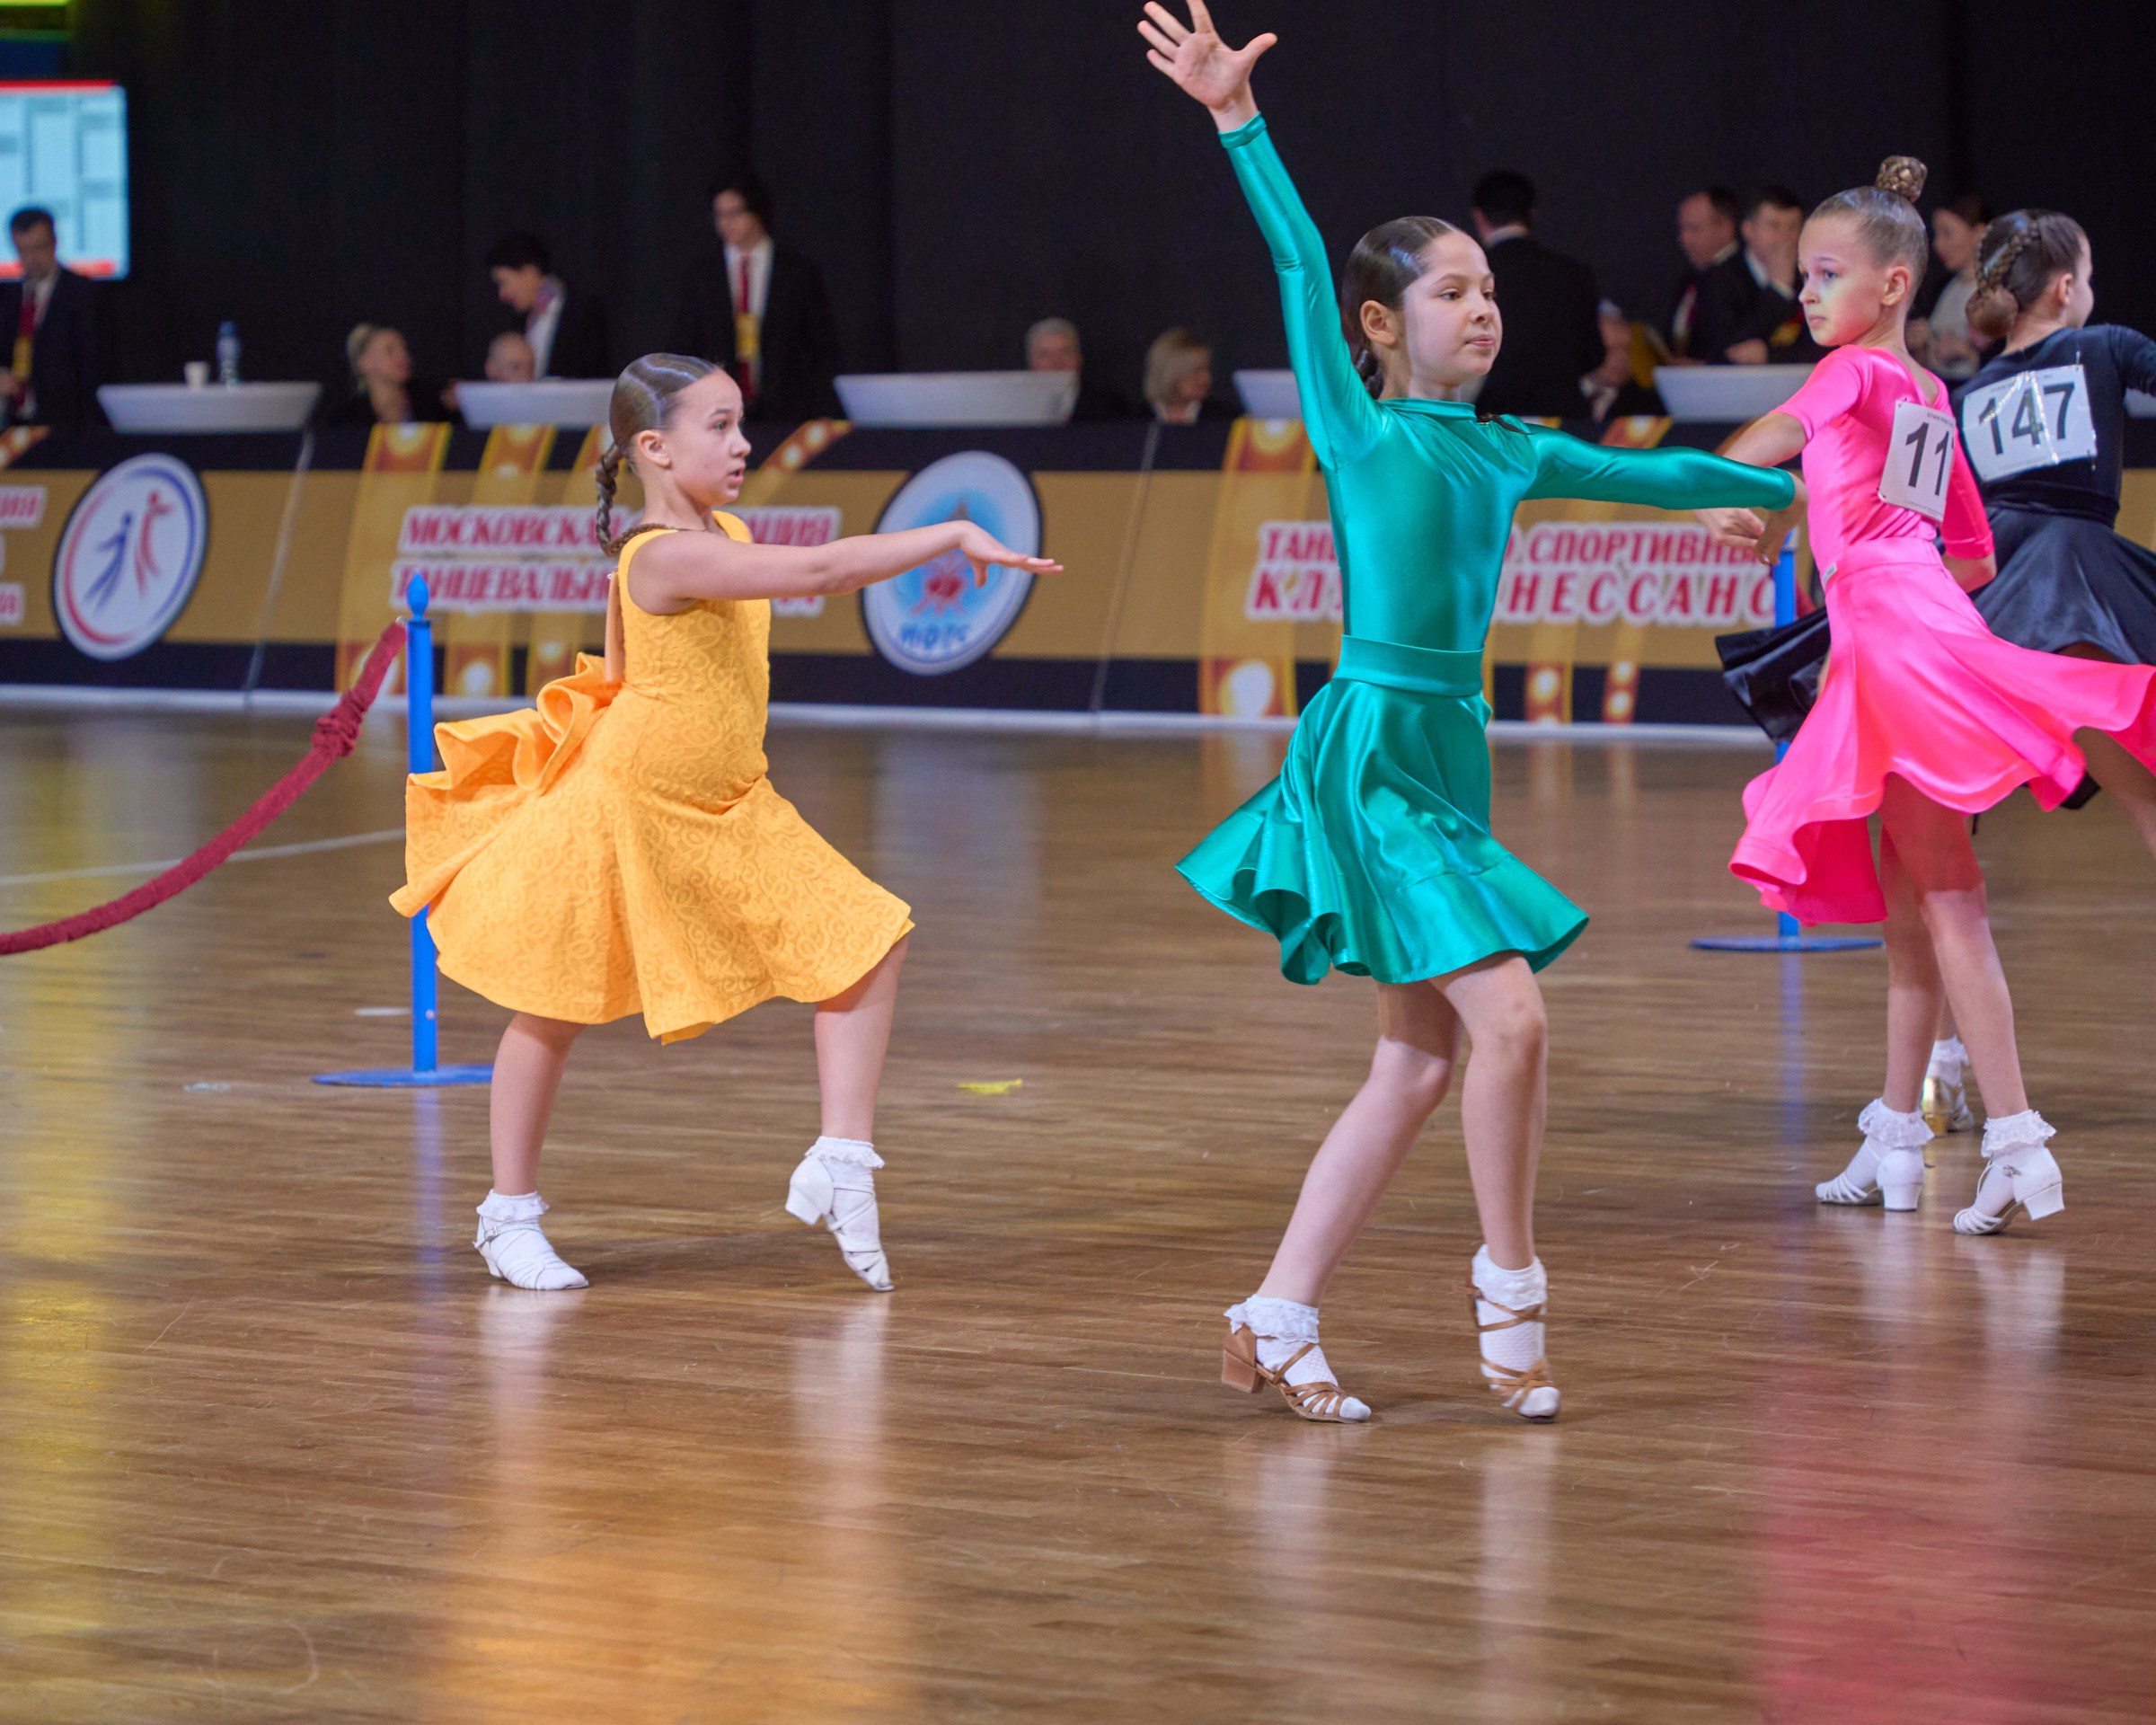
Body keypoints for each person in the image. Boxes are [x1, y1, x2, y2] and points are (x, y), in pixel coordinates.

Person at [1140, 1, 1801, 1424]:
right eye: (1451, 292)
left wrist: (1780, 490)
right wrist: (1237, 120)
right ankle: (1510, 1293)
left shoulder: (1508, 449)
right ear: (1384, 327)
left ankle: (1275, 1314)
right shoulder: (1359, 424)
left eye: (1488, 287)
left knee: (1415, 1060)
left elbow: (1655, 476)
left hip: (1449, 752)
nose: (1483, 307)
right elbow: (1299, 260)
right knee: (1513, 1023)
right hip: (1372, 749)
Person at [389, 355, 1059, 1292]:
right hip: (632, 806)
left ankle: (842, 1159)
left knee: (869, 941)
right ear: (654, 448)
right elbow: (821, 569)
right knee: (555, 1004)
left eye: (742, 423)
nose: (744, 444)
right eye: (720, 426)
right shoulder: (661, 554)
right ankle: (508, 1217)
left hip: (731, 800)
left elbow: (641, 665)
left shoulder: (726, 533)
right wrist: (949, 531)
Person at [1698, 160, 2156, 1236]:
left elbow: (1770, 437)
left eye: (1825, 274)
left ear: (1893, 285)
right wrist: (1858, 552)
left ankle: (2019, 1143)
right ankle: (1897, 1137)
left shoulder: (1851, 374)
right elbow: (1972, 556)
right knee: (1914, 911)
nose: (1805, 292)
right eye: (1805, 275)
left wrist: (1728, 492)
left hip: (1892, 647)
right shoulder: (1929, 395)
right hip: (1919, 629)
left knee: (1945, 903)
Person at [1920, 212, 2156, 1133]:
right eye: (2086, 274)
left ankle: (1940, 1069)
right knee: (2146, 799)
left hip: (1982, 605)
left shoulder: (1967, 393)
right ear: (2065, 287)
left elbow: (1919, 508)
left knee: (1945, 837)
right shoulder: (2104, 346)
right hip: (2076, 589)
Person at [669, 172, 842, 422]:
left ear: (757, 212)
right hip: (718, 415)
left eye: (734, 213)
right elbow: (685, 347)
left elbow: (820, 347)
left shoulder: (797, 273)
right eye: (719, 215)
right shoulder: (702, 278)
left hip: (788, 414)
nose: (725, 223)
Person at [1466, 168, 1604, 418]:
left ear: (1479, 217)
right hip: (1564, 420)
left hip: (1494, 420)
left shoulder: (1469, 276)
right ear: (1532, 214)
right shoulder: (1573, 272)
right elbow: (1594, 356)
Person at [1691, 186, 1825, 367]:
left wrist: (1772, 355)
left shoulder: (1813, 277)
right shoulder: (1718, 279)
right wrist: (1779, 291)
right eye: (1774, 226)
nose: (1785, 237)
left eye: (1793, 227)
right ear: (1748, 230)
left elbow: (1824, 347)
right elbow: (1727, 350)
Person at [0, 206, 106, 428]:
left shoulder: (81, 293)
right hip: (16, 423)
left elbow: (91, 368)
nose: (31, 259)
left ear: (55, 242)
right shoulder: (8, 298)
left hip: (66, 424)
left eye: (39, 248)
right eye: (22, 250)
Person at [487, 232, 610, 379]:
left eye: (503, 283)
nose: (502, 295)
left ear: (529, 273)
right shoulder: (519, 320)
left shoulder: (583, 311)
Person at [1910, 194, 1993, 378]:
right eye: (1936, 234)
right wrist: (1919, 347)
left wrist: (1967, 353)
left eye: (1947, 233)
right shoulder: (1941, 288)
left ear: (1979, 233)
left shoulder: (1999, 292)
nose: (1937, 244)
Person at [321, 324, 454, 427]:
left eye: (404, 349)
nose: (403, 356)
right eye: (390, 350)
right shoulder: (346, 420)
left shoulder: (434, 400)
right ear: (363, 362)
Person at [1666, 186, 1740, 361]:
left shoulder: (1740, 278)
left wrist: (1706, 366)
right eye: (1682, 229)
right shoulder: (1691, 278)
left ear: (1725, 228)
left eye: (1694, 229)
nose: (1684, 239)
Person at [1026, 316, 1129, 420]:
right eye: (1045, 354)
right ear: (1031, 361)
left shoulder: (1111, 408)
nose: (1056, 361)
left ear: (1078, 358)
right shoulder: (1019, 406)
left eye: (1065, 352)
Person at [1143, 326, 1233, 422]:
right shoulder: (1136, 418)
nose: (1206, 378)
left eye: (1206, 370)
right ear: (1169, 374)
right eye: (1195, 371)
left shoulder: (1224, 417)